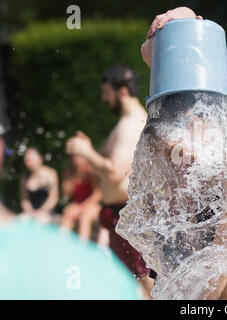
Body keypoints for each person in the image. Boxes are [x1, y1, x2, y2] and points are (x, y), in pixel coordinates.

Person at [141, 7, 227, 300]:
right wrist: (179, 15)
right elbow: (160, 56)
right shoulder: (205, 143)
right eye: (223, 81)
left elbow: (222, 254)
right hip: (190, 286)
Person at [65, 65, 154, 298]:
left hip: (128, 214)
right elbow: (107, 163)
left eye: (107, 92)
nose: (104, 99)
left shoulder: (131, 124)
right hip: (118, 214)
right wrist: (91, 153)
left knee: (146, 280)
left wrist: (86, 153)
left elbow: (115, 172)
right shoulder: (122, 124)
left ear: (122, 91)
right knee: (134, 281)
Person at [60, 155, 102, 241]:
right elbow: (66, 193)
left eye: (79, 156)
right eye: (75, 157)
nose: (76, 159)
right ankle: (61, 244)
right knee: (68, 214)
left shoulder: (91, 171)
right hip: (77, 204)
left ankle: (82, 247)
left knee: (85, 217)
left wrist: (83, 206)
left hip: (92, 204)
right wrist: (76, 175)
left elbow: (97, 194)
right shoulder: (69, 172)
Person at [19, 147, 59, 223]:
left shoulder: (50, 174)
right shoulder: (24, 177)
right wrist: (30, 212)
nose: (28, 158)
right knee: (21, 220)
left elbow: (53, 198)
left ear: (40, 158)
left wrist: (41, 212)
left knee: (41, 221)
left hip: (47, 211)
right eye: (26, 156)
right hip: (30, 211)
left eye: (31, 155)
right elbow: (24, 199)